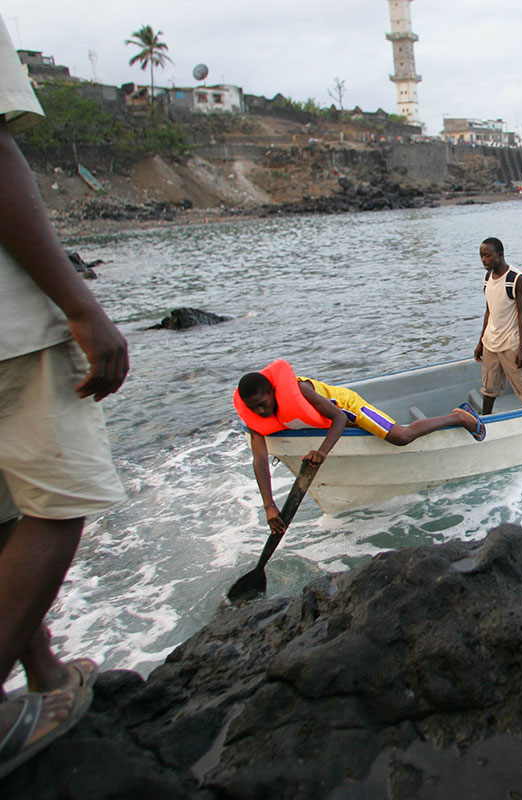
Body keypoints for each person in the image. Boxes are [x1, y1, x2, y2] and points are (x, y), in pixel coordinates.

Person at [0, 14, 126, 779]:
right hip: (8, 329)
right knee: (56, 502)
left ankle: (43, 675)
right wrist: (79, 304)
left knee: (7, 509)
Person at [234, 361, 485, 534]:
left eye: (263, 403)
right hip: (329, 422)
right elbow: (259, 460)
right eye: (254, 408)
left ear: (271, 391)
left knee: (401, 436)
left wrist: (322, 452)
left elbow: (339, 417)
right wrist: (269, 506)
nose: (260, 411)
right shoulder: (256, 417)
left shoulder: (301, 389)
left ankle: (458, 417)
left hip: (349, 408)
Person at [474, 237, 522, 414]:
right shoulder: (488, 277)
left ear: (500, 255)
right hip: (490, 343)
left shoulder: (516, 279)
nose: (484, 260)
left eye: (487, 256)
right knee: (489, 388)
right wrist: (481, 342)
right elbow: (489, 311)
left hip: (511, 344)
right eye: (481, 256)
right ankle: (486, 420)